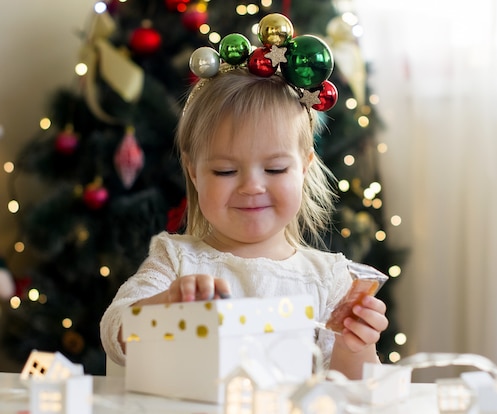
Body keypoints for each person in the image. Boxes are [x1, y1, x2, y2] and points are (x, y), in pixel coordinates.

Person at [100, 43, 388, 382]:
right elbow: (116, 333)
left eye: (276, 169)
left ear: (304, 168)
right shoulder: (176, 261)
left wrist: (355, 345)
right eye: (225, 171)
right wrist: (165, 305)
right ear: (194, 173)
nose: (252, 187)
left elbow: (349, 390)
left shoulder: (328, 280)